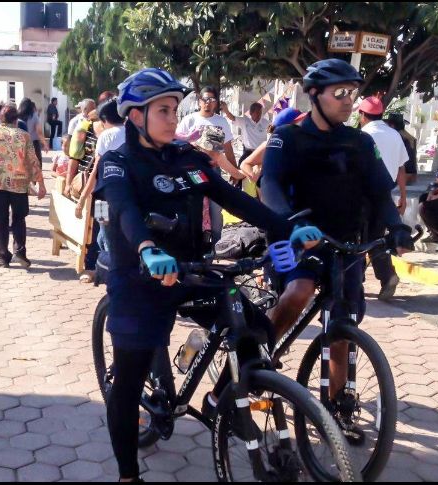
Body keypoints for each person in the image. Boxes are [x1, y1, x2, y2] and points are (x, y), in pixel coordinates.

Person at [94, 67, 322, 482]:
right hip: (139, 278)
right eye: (162, 110)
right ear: (135, 115)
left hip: (191, 271)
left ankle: (221, 400)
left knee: (257, 333)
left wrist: (288, 228)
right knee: (127, 384)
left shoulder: (188, 160)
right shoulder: (118, 162)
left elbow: (236, 199)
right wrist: (146, 249)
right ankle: (129, 474)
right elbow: (125, 211)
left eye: (173, 109)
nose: (171, 117)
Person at [257, 58, 414, 442]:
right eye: (339, 93)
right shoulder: (287, 137)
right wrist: (291, 224)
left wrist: (396, 227)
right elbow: (271, 186)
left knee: (341, 327)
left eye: (353, 94)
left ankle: (335, 409)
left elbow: (380, 191)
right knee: (299, 291)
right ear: (314, 95)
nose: (348, 101)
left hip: (346, 243)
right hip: (299, 239)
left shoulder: (360, 142)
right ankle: (260, 351)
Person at [0, 103, 47, 268]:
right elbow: (33, 161)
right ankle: (20, 252)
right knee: (19, 218)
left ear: (0, 118)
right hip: (20, 184)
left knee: (0, 220)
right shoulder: (24, 136)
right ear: (16, 119)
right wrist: (41, 184)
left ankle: (3, 257)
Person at [358, 96, 409, 300]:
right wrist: (403, 197)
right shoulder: (395, 135)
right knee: (377, 238)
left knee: (357, 238)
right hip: (384, 196)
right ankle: (387, 276)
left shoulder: (361, 135)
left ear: (362, 115)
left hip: (361, 196)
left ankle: (356, 281)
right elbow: (401, 168)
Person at [74, 98, 126, 283]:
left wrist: (81, 200)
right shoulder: (134, 133)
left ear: (104, 119)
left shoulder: (107, 135)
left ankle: (109, 271)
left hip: (104, 196)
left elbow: (95, 170)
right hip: (129, 195)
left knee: (104, 234)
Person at [177, 86, 238, 174]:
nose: (208, 102)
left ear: (216, 103)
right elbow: (178, 143)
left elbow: (228, 148)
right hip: (192, 167)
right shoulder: (189, 120)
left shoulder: (222, 121)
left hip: (214, 169)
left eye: (212, 99)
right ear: (199, 102)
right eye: (205, 99)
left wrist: (234, 171)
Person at [239, 107, 303, 188]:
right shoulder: (270, 146)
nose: (303, 126)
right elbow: (245, 164)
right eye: (299, 123)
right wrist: (259, 181)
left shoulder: (302, 144)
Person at [386, 113, 418, 184]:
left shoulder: (397, 138)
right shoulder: (409, 137)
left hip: (402, 177)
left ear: (392, 126)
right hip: (412, 176)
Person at [18, 98, 50, 164]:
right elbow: (39, 132)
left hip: (20, 142)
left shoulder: (17, 116)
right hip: (33, 143)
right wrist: (45, 143)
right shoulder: (33, 115)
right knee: (36, 162)